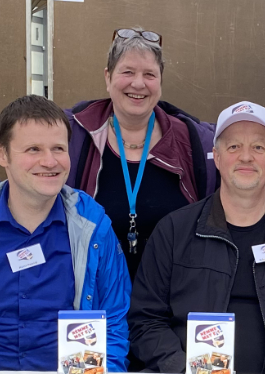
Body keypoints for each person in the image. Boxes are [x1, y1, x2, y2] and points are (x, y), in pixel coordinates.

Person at [129, 101, 265, 374]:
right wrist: (187, 372)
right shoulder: (173, 232)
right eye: (234, 147)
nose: (246, 157)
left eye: (258, 147)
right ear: (217, 157)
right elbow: (145, 320)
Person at [0, 95, 131, 371]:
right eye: (33, 149)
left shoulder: (94, 230)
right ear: (1, 153)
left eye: (58, 148)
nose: (50, 161)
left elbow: (112, 324)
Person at [65, 27, 217, 281]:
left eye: (149, 74)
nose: (138, 83)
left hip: (171, 302)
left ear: (160, 81)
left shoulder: (194, 142)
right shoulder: (73, 135)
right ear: (108, 76)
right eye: (127, 72)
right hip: (92, 297)